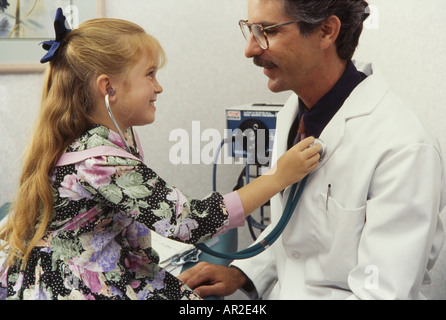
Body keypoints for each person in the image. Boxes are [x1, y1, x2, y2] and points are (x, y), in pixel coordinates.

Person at [0, 9, 321, 300]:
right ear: (108, 88)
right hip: (74, 286)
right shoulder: (99, 160)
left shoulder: (109, 136)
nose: (159, 87)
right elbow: (185, 223)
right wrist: (278, 177)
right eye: (150, 74)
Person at [179, 0, 446, 300]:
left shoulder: (403, 147)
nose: (250, 50)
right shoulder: (293, 115)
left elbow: (382, 293)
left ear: (326, 31)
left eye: (266, 31)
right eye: (250, 30)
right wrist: (243, 271)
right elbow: (297, 230)